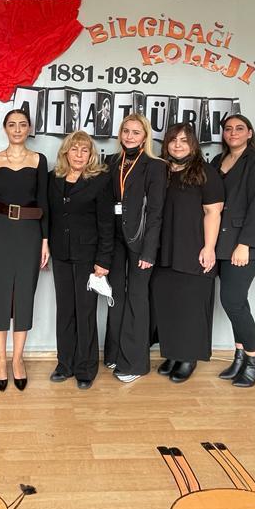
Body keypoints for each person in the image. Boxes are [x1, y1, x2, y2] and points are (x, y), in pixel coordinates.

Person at [0, 109, 50, 391]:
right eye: (12, 124)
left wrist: (45, 240)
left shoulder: (39, 160)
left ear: (29, 128)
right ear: (5, 128)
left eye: (22, 124)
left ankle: (18, 359)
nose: (17, 129)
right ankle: (0, 359)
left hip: (30, 233)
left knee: (24, 295)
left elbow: (44, 201)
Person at [153, 123, 224, 383]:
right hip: (163, 249)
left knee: (191, 306)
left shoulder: (205, 172)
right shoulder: (160, 170)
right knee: (168, 305)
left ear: (193, 144)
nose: (178, 145)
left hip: (193, 248)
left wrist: (209, 247)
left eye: (184, 140)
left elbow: (213, 212)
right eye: (173, 140)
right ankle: (172, 353)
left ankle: (188, 357)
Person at [47, 131, 115, 390]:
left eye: (84, 150)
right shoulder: (53, 178)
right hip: (61, 253)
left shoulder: (100, 180)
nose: (78, 154)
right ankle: (64, 364)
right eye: (74, 149)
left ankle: (86, 368)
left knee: (85, 312)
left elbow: (106, 224)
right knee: (65, 310)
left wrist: (103, 260)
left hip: (88, 256)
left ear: (91, 155)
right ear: (66, 152)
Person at [209, 114, 255, 388]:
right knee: (238, 302)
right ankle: (240, 357)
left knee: (232, 301)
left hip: (244, 244)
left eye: (239, 128)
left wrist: (245, 244)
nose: (233, 132)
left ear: (249, 133)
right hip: (221, 242)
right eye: (228, 129)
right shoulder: (217, 161)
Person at [104, 112, 168, 383]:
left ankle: (135, 363)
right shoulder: (111, 162)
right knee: (115, 294)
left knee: (137, 297)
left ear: (145, 137)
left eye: (136, 132)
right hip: (115, 239)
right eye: (126, 131)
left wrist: (149, 251)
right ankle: (115, 353)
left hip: (141, 240)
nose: (129, 136)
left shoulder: (155, 166)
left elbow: (156, 212)